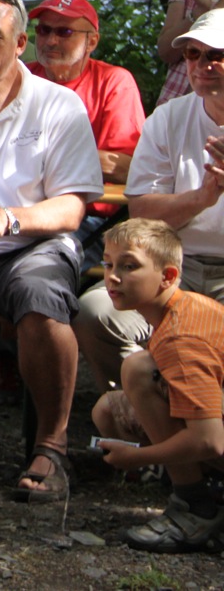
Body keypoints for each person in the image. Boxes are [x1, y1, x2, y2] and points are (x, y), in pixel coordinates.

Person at [0, 0, 103, 503]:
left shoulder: (58, 105)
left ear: (19, 44)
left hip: (34, 242)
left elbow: (72, 207)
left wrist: (9, 219)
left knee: (42, 297)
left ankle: (52, 448)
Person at [75, 9, 224, 390]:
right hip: (174, 268)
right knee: (95, 312)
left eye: (216, 55)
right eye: (193, 54)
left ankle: (190, 409)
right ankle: (149, 402)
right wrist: (204, 197)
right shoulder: (168, 118)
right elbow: (143, 214)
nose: (202, 65)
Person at [90, 219, 224, 553]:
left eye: (129, 266)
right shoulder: (175, 312)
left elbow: (210, 440)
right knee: (108, 411)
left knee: (138, 369)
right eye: (108, 264)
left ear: (168, 276)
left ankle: (195, 508)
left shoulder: (182, 335)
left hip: (213, 434)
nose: (113, 277)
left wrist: (137, 458)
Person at [26, 0, 145, 262]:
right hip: (18, 209)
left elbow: (127, 168)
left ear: (92, 41)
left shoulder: (114, 82)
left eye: (64, 32)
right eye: (43, 30)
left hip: (87, 219)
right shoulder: (21, 77)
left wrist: (37, 151)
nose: (50, 40)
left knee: (35, 264)